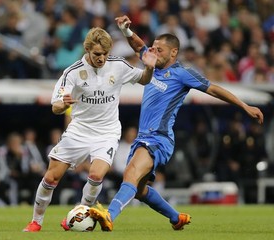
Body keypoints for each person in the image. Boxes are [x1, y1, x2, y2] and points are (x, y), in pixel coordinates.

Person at [89, 15, 264, 232]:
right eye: (153, 48)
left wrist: (244, 106)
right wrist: (126, 31)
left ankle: (109, 215)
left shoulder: (182, 74)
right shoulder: (151, 63)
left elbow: (214, 89)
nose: (153, 52)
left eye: (159, 49)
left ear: (174, 52)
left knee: (131, 174)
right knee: (140, 190)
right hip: (144, 136)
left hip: (159, 137)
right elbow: (139, 46)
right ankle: (176, 218)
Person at [23, 26, 157, 232]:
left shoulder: (118, 66)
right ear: (87, 50)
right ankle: (36, 222)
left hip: (107, 132)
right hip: (79, 131)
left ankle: (79, 214)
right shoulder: (72, 72)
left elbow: (144, 80)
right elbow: (56, 106)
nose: (101, 58)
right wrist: (64, 105)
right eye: (97, 54)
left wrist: (149, 67)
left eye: (105, 54)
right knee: (51, 178)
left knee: (96, 176)